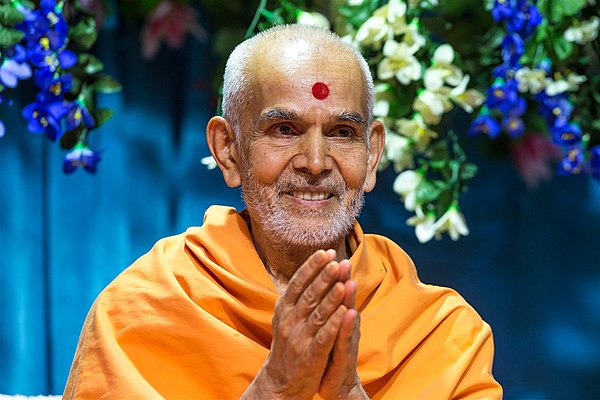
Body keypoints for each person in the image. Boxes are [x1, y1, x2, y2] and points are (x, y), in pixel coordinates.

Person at [64, 24, 502, 399]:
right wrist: (274, 389)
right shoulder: (145, 311)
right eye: (284, 129)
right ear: (229, 150)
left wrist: (346, 391)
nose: (314, 161)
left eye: (343, 132)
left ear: (371, 157)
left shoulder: (439, 335)